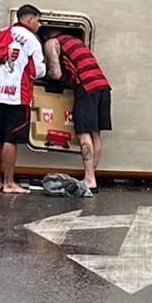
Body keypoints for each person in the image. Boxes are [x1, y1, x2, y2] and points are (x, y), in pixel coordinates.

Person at [0, 4, 45, 194]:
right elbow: (38, 70)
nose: (39, 24)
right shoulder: (31, 39)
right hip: (17, 95)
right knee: (11, 139)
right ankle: (9, 182)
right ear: (29, 20)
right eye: (38, 20)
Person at [44, 27, 112, 192]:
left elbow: (56, 73)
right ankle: (91, 174)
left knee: (83, 133)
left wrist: (45, 74)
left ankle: (89, 179)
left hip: (86, 87)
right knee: (95, 133)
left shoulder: (52, 43)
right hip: (103, 86)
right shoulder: (77, 42)